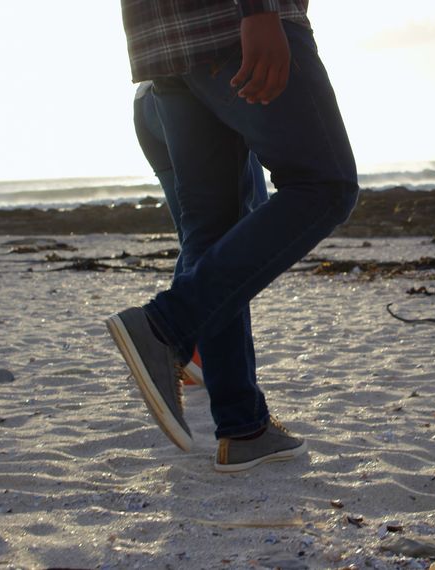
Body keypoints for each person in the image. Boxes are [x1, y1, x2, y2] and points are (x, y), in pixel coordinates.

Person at [106, 0, 358, 473]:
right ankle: (166, 325)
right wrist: (259, 10)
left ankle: (244, 428)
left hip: (162, 43)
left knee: (211, 228)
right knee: (326, 186)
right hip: (231, 21)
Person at [132, 80, 269, 387]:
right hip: (199, 93)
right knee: (243, 227)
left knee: (199, 234)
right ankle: (177, 339)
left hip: (147, 101)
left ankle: (182, 350)